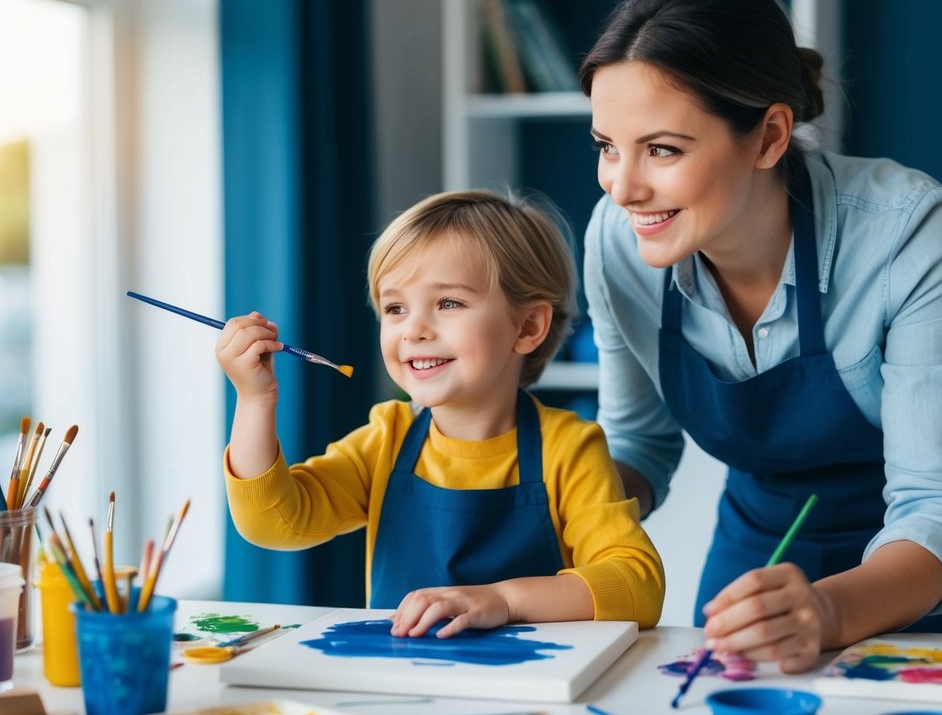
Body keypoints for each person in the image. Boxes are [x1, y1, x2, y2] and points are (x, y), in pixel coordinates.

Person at [579, 0, 942, 672]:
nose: (622, 185)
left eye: (662, 149)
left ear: (769, 136)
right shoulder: (618, 237)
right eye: (606, 146)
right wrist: (536, 501)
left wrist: (827, 611)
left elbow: (938, 503)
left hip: (937, 566)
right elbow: (638, 444)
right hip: (762, 544)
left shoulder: (907, 231)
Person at [218, 190, 665, 637]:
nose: (413, 329)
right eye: (395, 308)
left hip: (533, 690)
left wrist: (503, 600)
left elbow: (637, 585)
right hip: (399, 686)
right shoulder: (385, 439)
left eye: (448, 303)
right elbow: (273, 522)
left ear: (528, 327)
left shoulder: (570, 448)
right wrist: (255, 401)